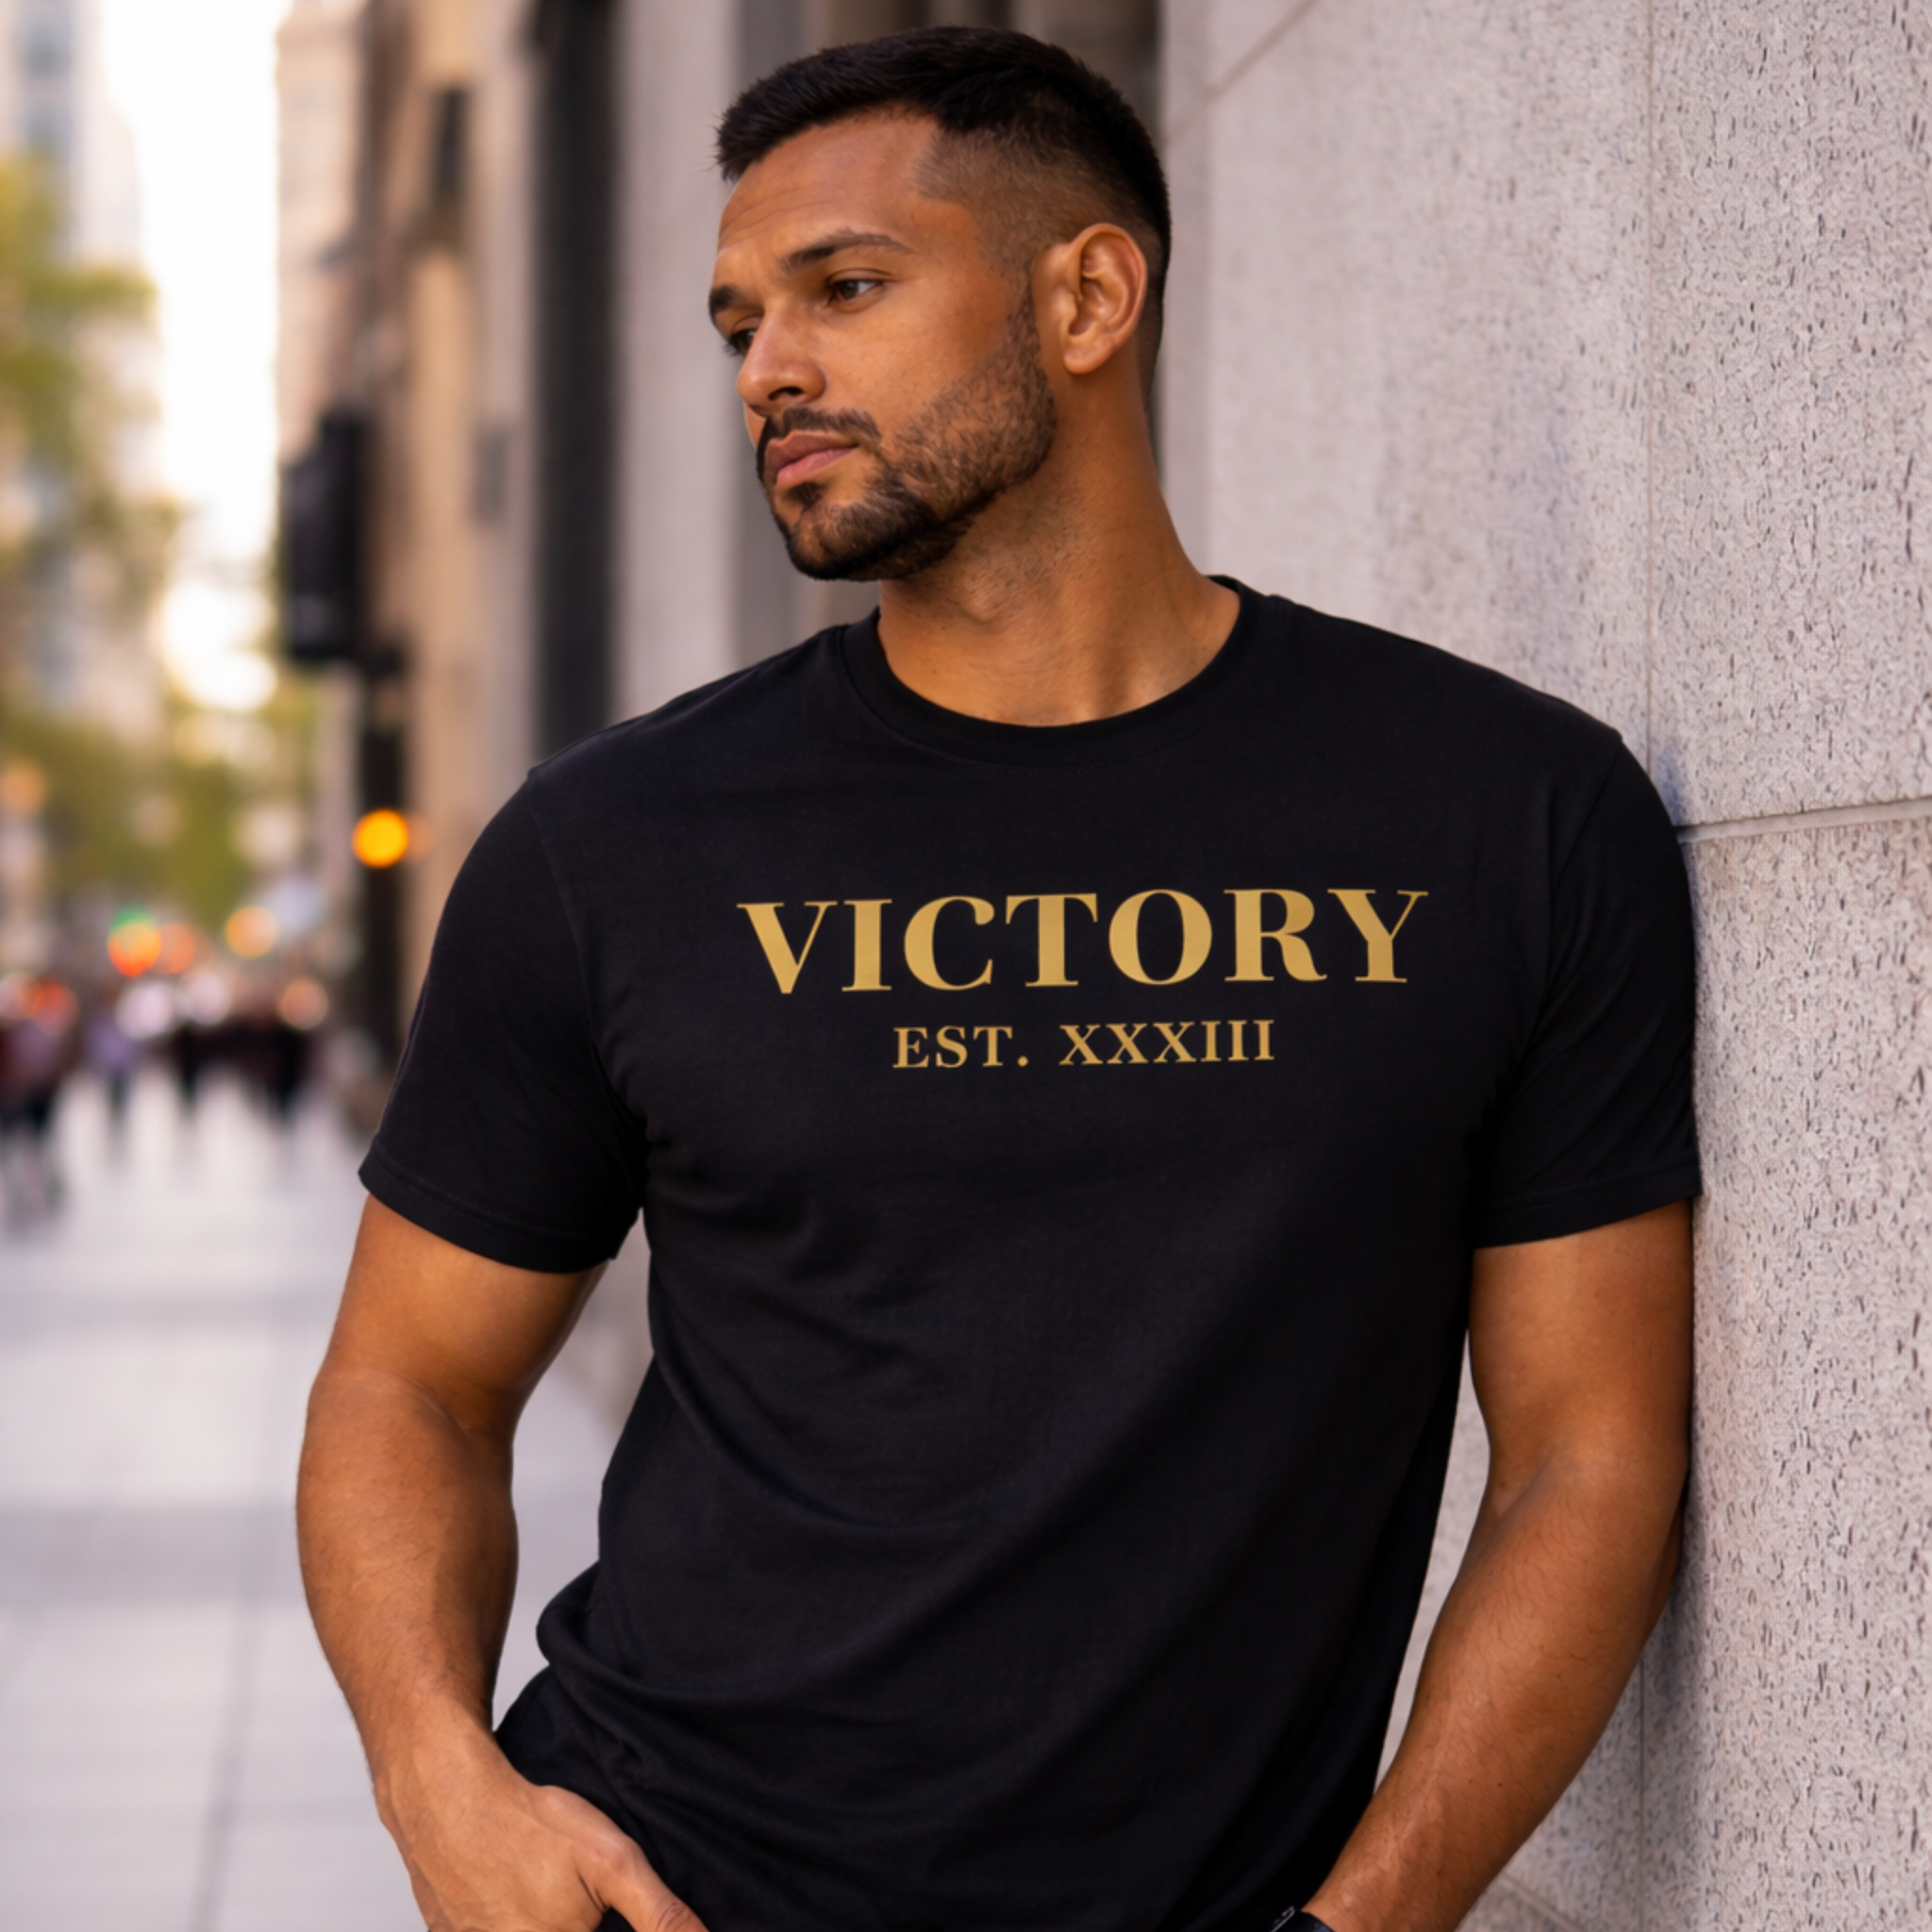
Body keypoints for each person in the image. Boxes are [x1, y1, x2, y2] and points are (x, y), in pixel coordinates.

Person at [298, 28, 1698, 1932]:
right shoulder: (615, 844)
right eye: (736, 322)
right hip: (663, 1876)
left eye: (844, 289)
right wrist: (438, 1784)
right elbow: (409, 1383)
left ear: (1089, 294)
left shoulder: (1501, 813)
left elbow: (1588, 1453)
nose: (770, 367)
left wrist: (1362, 1924)